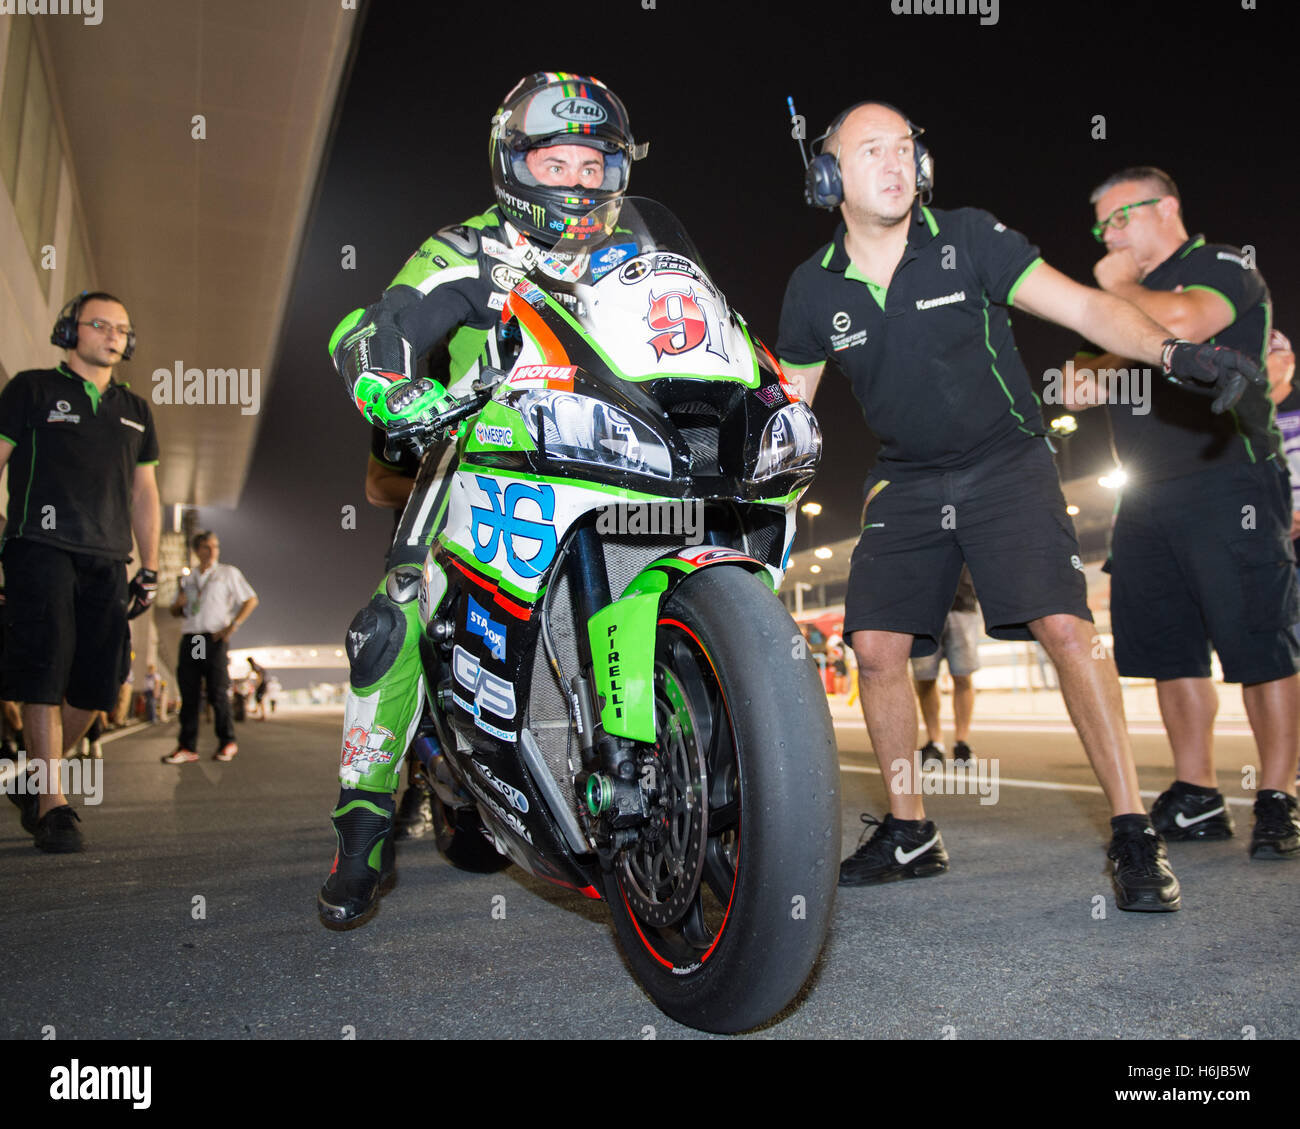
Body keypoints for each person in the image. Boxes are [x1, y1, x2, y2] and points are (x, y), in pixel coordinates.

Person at [777, 103, 1263, 911]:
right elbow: (789, 411)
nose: (897, 162)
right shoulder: (810, 288)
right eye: (872, 150)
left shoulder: (969, 237)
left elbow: (1083, 308)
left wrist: (1172, 351)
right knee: (874, 646)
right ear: (827, 176)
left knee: (1069, 628)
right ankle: (910, 829)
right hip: (908, 477)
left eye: (907, 147)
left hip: (1007, 460)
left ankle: (1133, 830)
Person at [317, 71, 647, 928]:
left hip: (624, 456)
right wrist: (389, 384)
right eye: (556, 160)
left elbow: (705, 321)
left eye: (593, 162)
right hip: (480, 454)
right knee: (393, 609)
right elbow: (376, 324)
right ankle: (361, 829)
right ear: (514, 164)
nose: (577, 180)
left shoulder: (645, 244)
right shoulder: (466, 249)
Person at [1061, 168, 1300, 858]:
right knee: (1171, 652)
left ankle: (1278, 795)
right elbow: (1077, 383)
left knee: (1259, 641)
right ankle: (1196, 793)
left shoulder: (1220, 265)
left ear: (1166, 208)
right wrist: (1116, 328)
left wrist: (1116, 298)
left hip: (1229, 474)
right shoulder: (1119, 298)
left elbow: (1184, 321)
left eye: (1120, 217)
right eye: (1101, 225)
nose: (1109, 236)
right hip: (1147, 494)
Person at [0, 291, 160, 852]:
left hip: (109, 558)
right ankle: (52, 803)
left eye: (122, 327)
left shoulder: (136, 411)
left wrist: (151, 567)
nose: (114, 335)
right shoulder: (30, 389)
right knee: (44, 665)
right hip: (38, 545)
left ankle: (30, 774)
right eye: (99, 324)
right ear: (70, 331)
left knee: (99, 681)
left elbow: (145, 493)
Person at [162, 531, 258, 764]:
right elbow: (175, 611)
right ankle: (187, 747)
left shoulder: (227, 573)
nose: (213, 551)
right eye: (207, 547)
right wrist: (178, 604)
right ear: (197, 550)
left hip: (214, 637)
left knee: (217, 691)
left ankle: (227, 742)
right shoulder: (187, 578)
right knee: (189, 693)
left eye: (215, 546)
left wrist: (231, 627)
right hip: (192, 637)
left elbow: (251, 599)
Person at [911, 565, 980, 765]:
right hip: (922, 605)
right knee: (924, 678)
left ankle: (962, 742)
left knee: (963, 675)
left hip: (962, 602)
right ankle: (935, 742)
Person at [247, 657, 268, 721]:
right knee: (258, 698)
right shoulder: (256, 666)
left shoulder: (255, 666)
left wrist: (258, 685)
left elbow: (260, 676)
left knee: (260, 699)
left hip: (262, 684)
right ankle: (256, 710)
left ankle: (263, 716)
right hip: (262, 684)